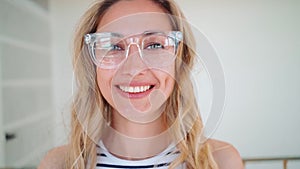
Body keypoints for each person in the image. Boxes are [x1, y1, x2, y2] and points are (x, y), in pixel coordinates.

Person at [38, 0, 243, 168]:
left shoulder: (222, 161)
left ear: (180, 60)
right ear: (92, 66)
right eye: (113, 46)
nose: (134, 68)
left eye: (154, 45)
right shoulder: (59, 164)